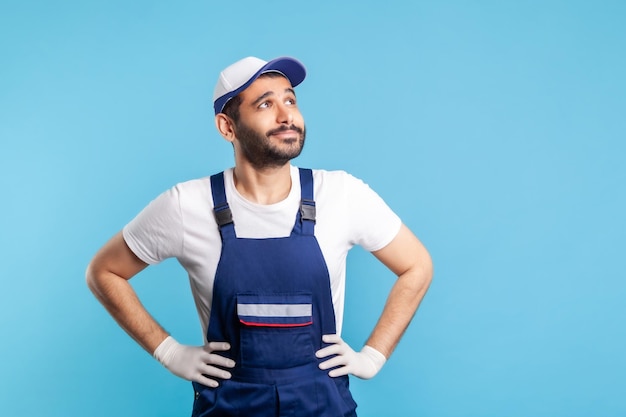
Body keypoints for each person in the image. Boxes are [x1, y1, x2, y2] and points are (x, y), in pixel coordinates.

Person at [86, 55, 433, 416]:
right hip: (229, 405)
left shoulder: (342, 194)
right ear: (227, 127)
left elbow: (416, 266)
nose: (287, 116)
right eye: (266, 104)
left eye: (290, 100)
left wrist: (373, 357)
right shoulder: (186, 205)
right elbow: (104, 271)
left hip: (322, 404)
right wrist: (169, 352)